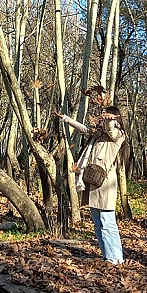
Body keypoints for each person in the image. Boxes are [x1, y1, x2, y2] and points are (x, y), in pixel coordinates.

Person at [55, 99, 128, 264]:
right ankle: (106, 255)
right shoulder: (98, 134)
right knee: (97, 222)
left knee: (107, 221)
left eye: (106, 115)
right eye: (102, 115)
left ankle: (115, 257)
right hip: (92, 182)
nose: (102, 118)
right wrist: (65, 118)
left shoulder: (118, 135)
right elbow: (84, 128)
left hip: (105, 184)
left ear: (115, 117)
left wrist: (111, 121)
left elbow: (112, 130)